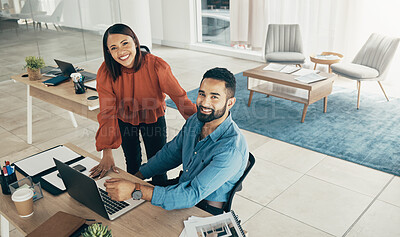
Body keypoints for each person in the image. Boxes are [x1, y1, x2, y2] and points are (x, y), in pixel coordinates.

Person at [104, 67, 249, 215]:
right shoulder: (195, 121)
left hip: (205, 208)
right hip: (183, 187)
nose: (204, 103)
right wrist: (137, 176)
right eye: (202, 94)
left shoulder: (231, 150)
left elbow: (192, 194)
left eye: (214, 97)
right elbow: (170, 154)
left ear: (230, 103)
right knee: (122, 207)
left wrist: (136, 189)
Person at [90, 23, 196, 186]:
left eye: (125, 43)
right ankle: (134, 197)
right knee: (132, 163)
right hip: (124, 118)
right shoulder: (106, 71)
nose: (121, 51)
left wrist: (201, 123)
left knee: (159, 164)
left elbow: (179, 97)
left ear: (135, 42)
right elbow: (107, 111)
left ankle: (158, 202)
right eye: (114, 48)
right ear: (108, 52)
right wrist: (107, 151)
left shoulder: (156, 65)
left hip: (153, 117)